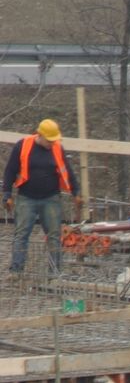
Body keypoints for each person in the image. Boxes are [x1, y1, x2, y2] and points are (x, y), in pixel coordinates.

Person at [3, 118, 80, 278]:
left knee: (54, 236)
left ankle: (55, 273)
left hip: (51, 198)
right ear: (40, 135)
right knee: (21, 235)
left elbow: (68, 172)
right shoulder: (22, 145)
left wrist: (76, 192)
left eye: (54, 140)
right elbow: (10, 170)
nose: (52, 143)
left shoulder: (57, 149)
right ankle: (16, 271)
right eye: (49, 140)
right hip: (26, 198)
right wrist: (7, 194)